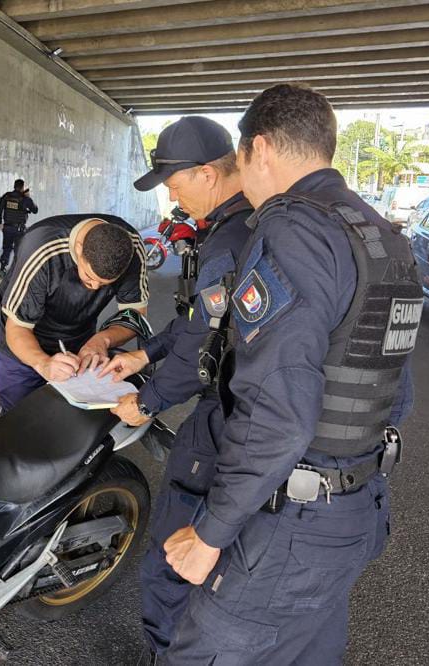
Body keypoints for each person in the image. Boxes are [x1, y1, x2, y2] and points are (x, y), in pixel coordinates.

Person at [160, 84, 420, 664]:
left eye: (243, 162)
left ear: (261, 148)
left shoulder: (293, 231)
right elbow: (394, 391)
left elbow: (278, 410)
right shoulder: (383, 237)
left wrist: (211, 533)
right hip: (356, 505)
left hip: (291, 523)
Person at [98, 116, 254, 662]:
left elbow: (202, 350)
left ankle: (168, 654)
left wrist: (145, 401)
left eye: (175, 183)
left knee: (170, 560)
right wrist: (144, 353)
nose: (172, 195)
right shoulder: (247, 225)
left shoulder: (229, 241)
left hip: (226, 419)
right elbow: (194, 323)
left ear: (207, 173)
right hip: (253, 418)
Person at [0, 214, 148, 413]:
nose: (94, 288)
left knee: (70, 418)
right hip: (21, 346)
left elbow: (134, 314)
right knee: (18, 420)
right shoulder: (41, 249)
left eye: (105, 285)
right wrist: (43, 363)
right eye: (89, 277)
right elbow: (17, 327)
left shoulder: (132, 249)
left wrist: (102, 341)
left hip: (78, 344)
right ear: (79, 249)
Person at [0, 179, 38, 276]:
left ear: (14, 186)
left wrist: (0, 223)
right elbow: (35, 210)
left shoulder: (6, 196)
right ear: (22, 188)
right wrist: (28, 197)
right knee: (19, 250)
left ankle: (3, 268)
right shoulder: (25, 199)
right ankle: (16, 272)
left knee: (7, 248)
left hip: (7, 228)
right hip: (19, 229)